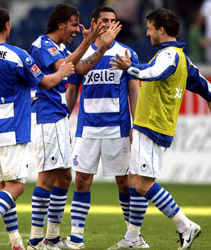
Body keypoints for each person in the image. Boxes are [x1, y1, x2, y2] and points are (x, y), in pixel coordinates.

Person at [0, 7, 74, 250]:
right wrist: (62, 72)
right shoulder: (16, 55)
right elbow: (46, 81)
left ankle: (16, 242)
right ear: (8, 25)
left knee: (4, 187)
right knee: (17, 186)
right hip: (12, 128)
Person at [109, 8, 211, 250]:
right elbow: (198, 78)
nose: (147, 33)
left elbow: (153, 73)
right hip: (149, 125)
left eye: (150, 28)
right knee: (135, 181)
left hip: (153, 126)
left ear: (162, 30)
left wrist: (129, 68)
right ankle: (132, 238)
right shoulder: (179, 56)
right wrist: (209, 93)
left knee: (144, 184)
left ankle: (185, 225)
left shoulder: (168, 55)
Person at [27, 3, 121, 250]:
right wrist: (90, 41)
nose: (75, 31)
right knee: (47, 178)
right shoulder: (43, 44)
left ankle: (52, 237)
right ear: (60, 23)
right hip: (47, 116)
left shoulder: (59, 47)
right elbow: (64, 67)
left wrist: (100, 47)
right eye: (72, 25)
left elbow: (79, 68)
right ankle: (36, 241)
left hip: (57, 117)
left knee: (64, 177)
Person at [65, 6, 148, 249]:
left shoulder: (126, 52)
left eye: (113, 21)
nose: (110, 24)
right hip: (87, 128)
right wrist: (63, 120)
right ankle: (77, 239)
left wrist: (137, 123)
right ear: (94, 23)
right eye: (105, 20)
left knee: (124, 183)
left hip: (118, 128)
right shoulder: (82, 53)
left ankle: (133, 236)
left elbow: (135, 90)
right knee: (81, 181)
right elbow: (72, 90)